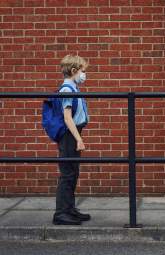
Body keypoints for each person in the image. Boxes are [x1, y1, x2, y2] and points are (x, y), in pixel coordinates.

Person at [53, 55, 90, 225]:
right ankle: (61, 213)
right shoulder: (67, 89)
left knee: (73, 172)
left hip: (74, 132)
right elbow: (68, 118)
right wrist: (79, 139)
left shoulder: (73, 88)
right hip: (70, 134)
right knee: (67, 173)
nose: (85, 74)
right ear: (74, 71)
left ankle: (69, 209)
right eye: (83, 71)